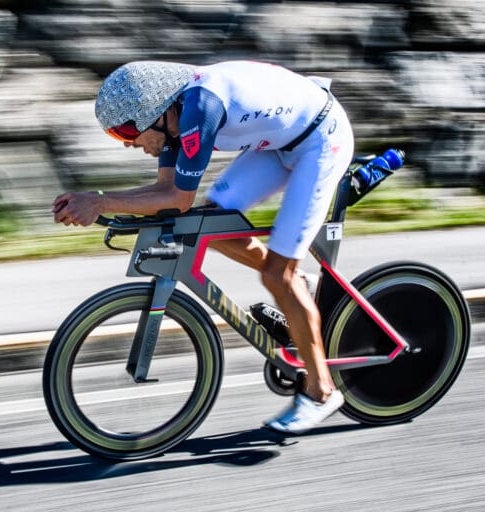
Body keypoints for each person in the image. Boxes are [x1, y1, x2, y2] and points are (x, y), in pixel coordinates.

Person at [52, 60, 354, 434]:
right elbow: (166, 195)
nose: (128, 143)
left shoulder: (199, 108)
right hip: (278, 143)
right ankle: (299, 288)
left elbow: (176, 198)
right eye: (117, 135)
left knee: (278, 273)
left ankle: (321, 391)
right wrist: (100, 201)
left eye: (127, 131)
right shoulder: (172, 119)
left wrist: (99, 201)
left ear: (156, 112)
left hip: (320, 141)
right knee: (210, 221)